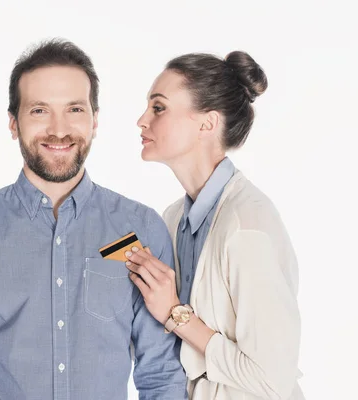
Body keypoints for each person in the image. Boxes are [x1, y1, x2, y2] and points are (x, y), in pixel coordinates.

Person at [0, 38, 187, 400]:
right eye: (39, 110)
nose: (59, 129)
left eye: (75, 110)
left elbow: (160, 376)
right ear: (13, 124)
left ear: (94, 122)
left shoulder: (142, 229)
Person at [126, 51, 304, 399]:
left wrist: (175, 314)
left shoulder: (247, 227)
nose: (142, 120)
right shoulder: (173, 218)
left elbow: (272, 378)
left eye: (158, 108)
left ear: (207, 124)